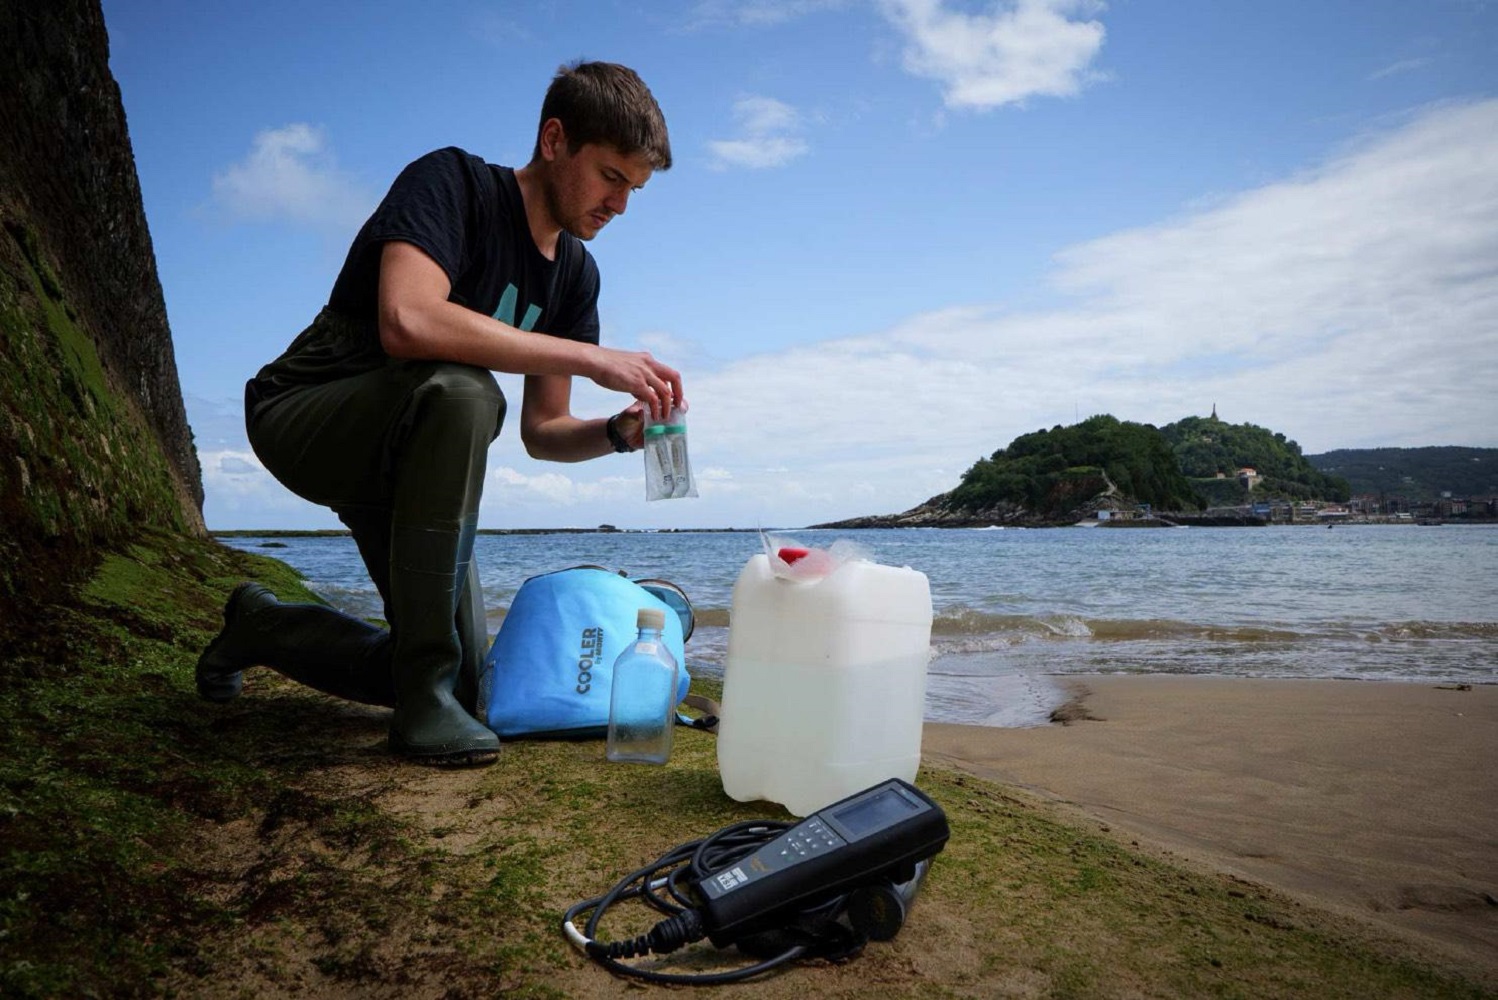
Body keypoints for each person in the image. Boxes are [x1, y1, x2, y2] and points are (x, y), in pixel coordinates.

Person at [195, 61, 683, 768]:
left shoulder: (575, 275)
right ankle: (419, 704)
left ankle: (263, 628)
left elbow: (544, 434)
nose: (620, 205)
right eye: (611, 177)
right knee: (465, 389)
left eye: (634, 190)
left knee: (466, 684)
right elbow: (407, 320)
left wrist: (615, 432)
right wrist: (590, 359)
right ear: (554, 139)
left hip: (410, 468)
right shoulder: (453, 183)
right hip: (307, 411)